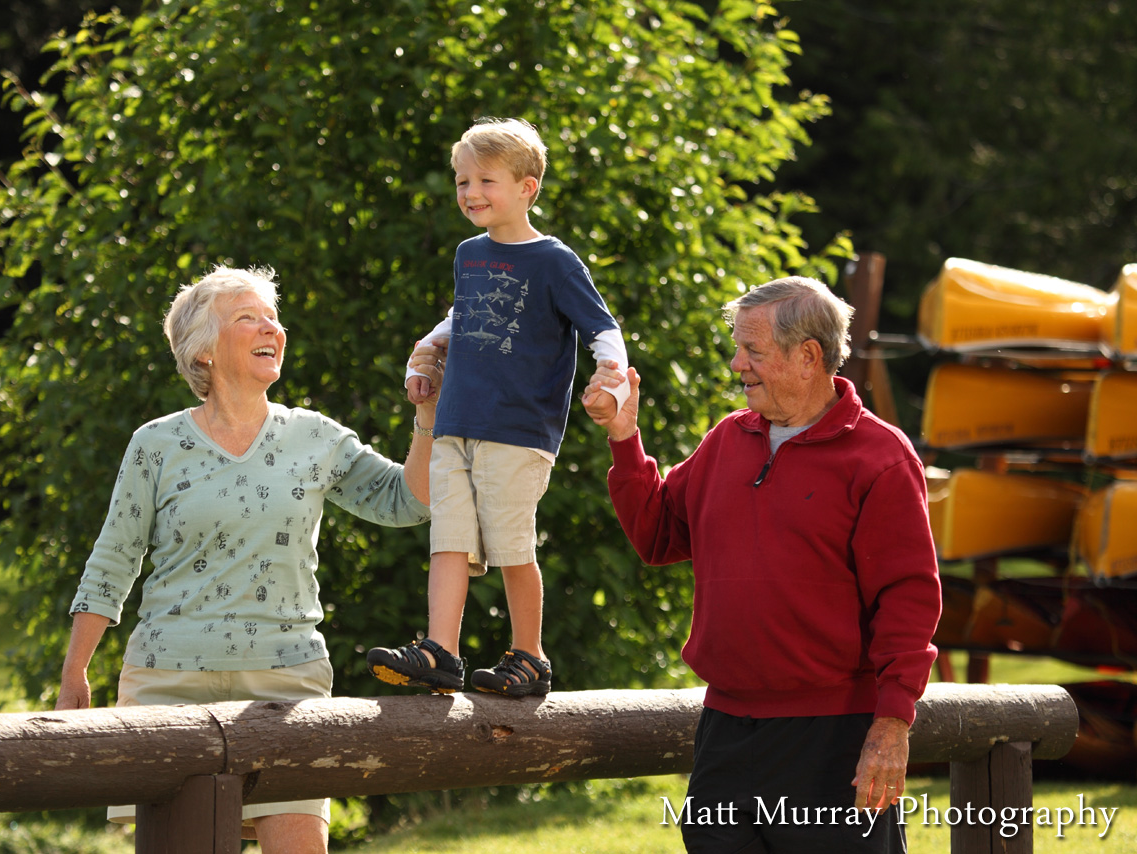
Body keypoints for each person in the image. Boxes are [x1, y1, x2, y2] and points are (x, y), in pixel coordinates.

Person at [54, 265, 440, 854]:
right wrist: (76, 669)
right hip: (169, 680)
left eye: (273, 317)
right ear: (202, 353)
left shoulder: (314, 436)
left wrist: (427, 416)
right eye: (248, 317)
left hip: (286, 682)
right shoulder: (155, 444)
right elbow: (114, 557)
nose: (273, 328)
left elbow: (408, 501)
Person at [583, 277, 941, 853]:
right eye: (737, 347)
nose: (735, 363)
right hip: (726, 731)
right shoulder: (726, 439)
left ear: (808, 356)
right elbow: (656, 536)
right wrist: (625, 436)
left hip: (835, 737)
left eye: (753, 350)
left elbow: (909, 600)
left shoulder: (881, 457)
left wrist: (892, 723)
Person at [365, 117, 630, 697]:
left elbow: (603, 330)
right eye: (462, 182)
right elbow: (463, 316)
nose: (470, 193)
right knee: (449, 538)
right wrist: (424, 355)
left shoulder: (554, 261)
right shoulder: (469, 254)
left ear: (527, 187)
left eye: (486, 180)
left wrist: (612, 382)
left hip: (517, 428)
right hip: (457, 419)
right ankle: (441, 651)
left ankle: (530, 655)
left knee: (512, 545)